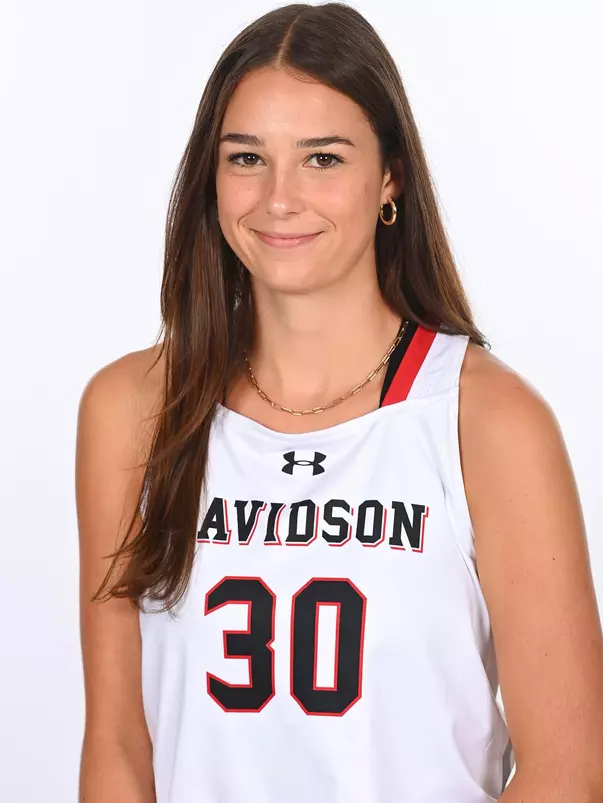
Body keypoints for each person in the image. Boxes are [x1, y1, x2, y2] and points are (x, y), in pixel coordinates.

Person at [75, 3, 603, 802]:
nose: (277, 198)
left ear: (389, 175)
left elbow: (571, 769)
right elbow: (117, 745)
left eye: (322, 158)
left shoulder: (485, 420)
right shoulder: (131, 409)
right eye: (246, 157)